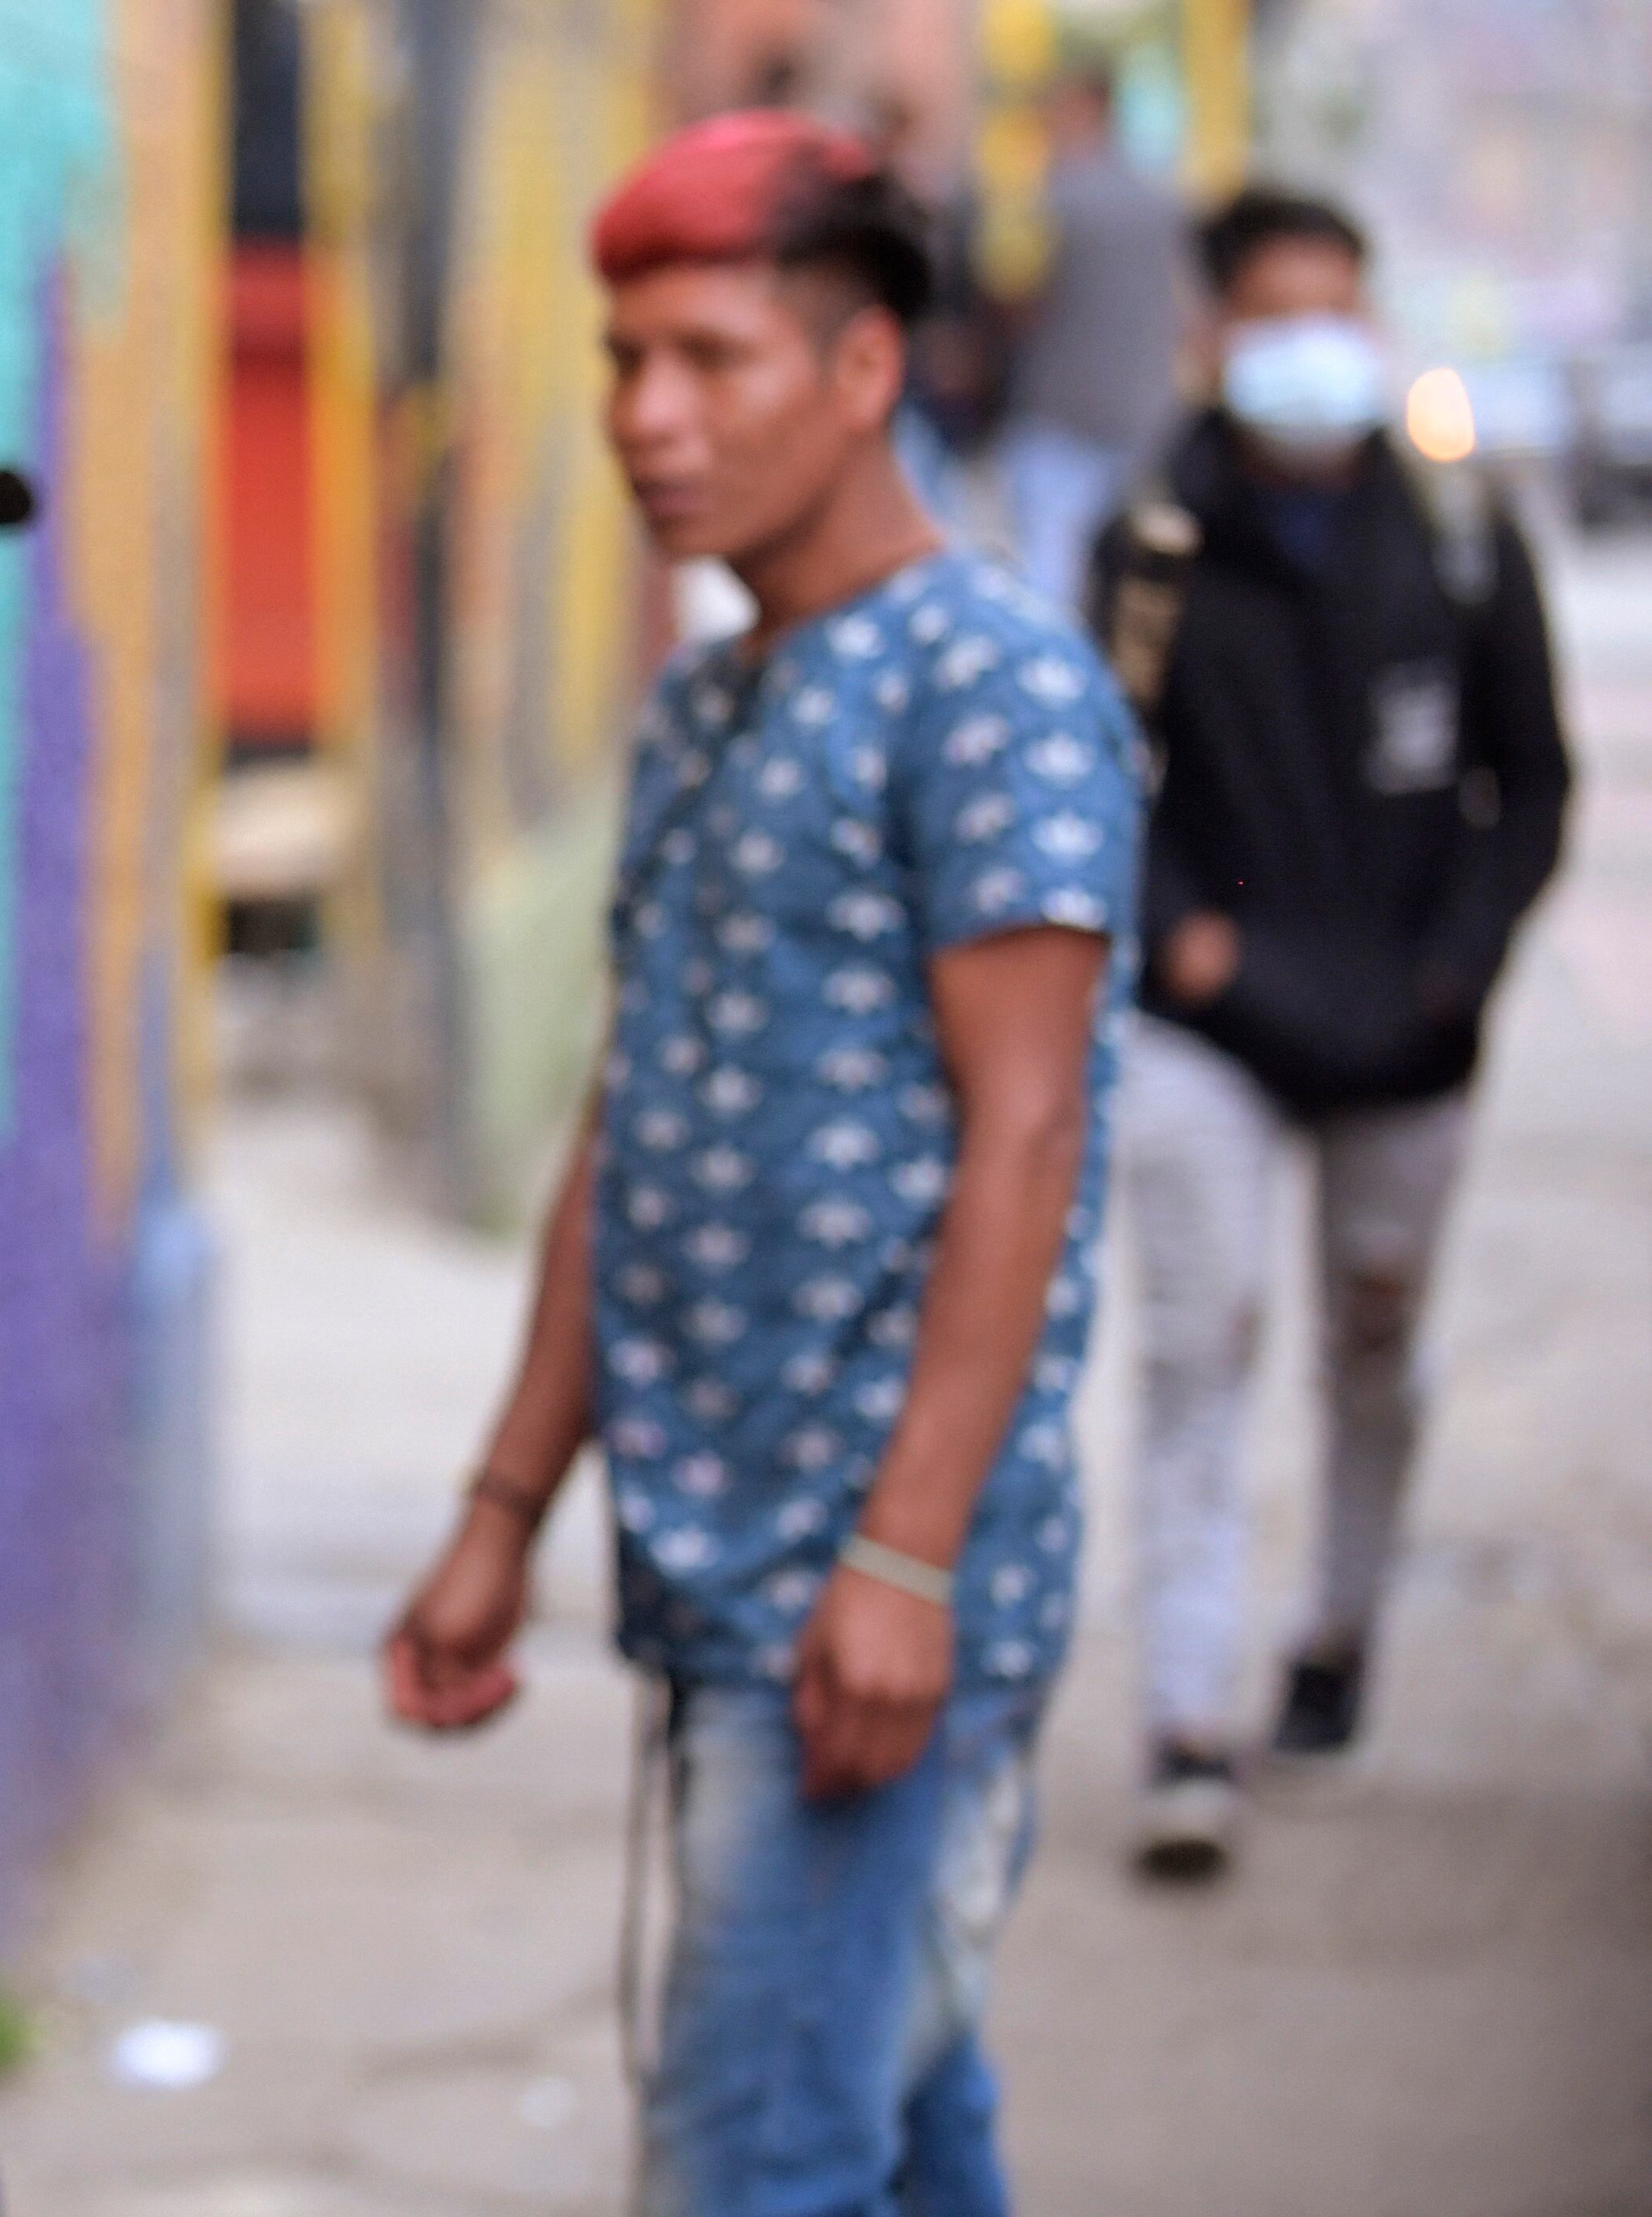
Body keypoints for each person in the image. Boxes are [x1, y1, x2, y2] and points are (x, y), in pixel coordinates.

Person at [383, 114, 1141, 2212]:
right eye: (622, 359)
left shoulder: (983, 684)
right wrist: (501, 1504)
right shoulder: (711, 697)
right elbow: (630, 1127)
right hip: (713, 1585)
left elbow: (1028, 1134)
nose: (644, 416)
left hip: (867, 1608)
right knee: (881, 2134)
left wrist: (897, 1560)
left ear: (861, 369)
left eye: (708, 358)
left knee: (750, 2158)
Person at [1092, 187, 1571, 1876]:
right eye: (1275, 315)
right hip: (1210, 1021)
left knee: (1372, 1349)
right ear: (1213, 336)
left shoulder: (1452, 532)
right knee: (1192, 1349)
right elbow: (1099, 768)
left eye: (1337, 313)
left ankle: (1336, 1646)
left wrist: (1455, 966)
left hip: (1404, 1029)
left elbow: (1534, 784)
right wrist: (1182, 941)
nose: (1313, 352)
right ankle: (1182, 1717)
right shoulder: (1151, 536)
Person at [997, 63, 1188, 608]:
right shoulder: (1163, 200)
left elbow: (1015, 296)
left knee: (1049, 590)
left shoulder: (1055, 199)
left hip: (1060, 412)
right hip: (1142, 415)